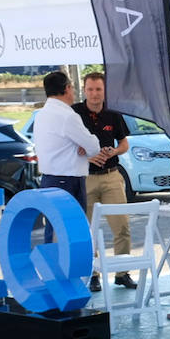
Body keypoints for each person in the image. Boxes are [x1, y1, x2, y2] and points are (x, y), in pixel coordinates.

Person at [74, 72, 135, 292]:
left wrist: (114, 151)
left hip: (111, 175)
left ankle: (122, 273)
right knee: (87, 230)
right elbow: (68, 144)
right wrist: (87, 155)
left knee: (122, 226)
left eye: (98, 89)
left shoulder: (113, 114)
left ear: (104, 91)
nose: (94, 94)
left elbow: (125, 143)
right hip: (85, 177)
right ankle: (93, 274)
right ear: (84, 90)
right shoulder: (75, 113)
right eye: (90, 89)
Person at [33, 71, 100, 244]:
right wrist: (84, 145)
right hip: (68, 180)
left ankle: (52, 270)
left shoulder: (40, 115)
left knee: (53, 229)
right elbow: (93, 147)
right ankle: (70, 271)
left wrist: (81, 145)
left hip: (48, 179)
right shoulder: (68, 116)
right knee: (71, 233)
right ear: (67, 89)